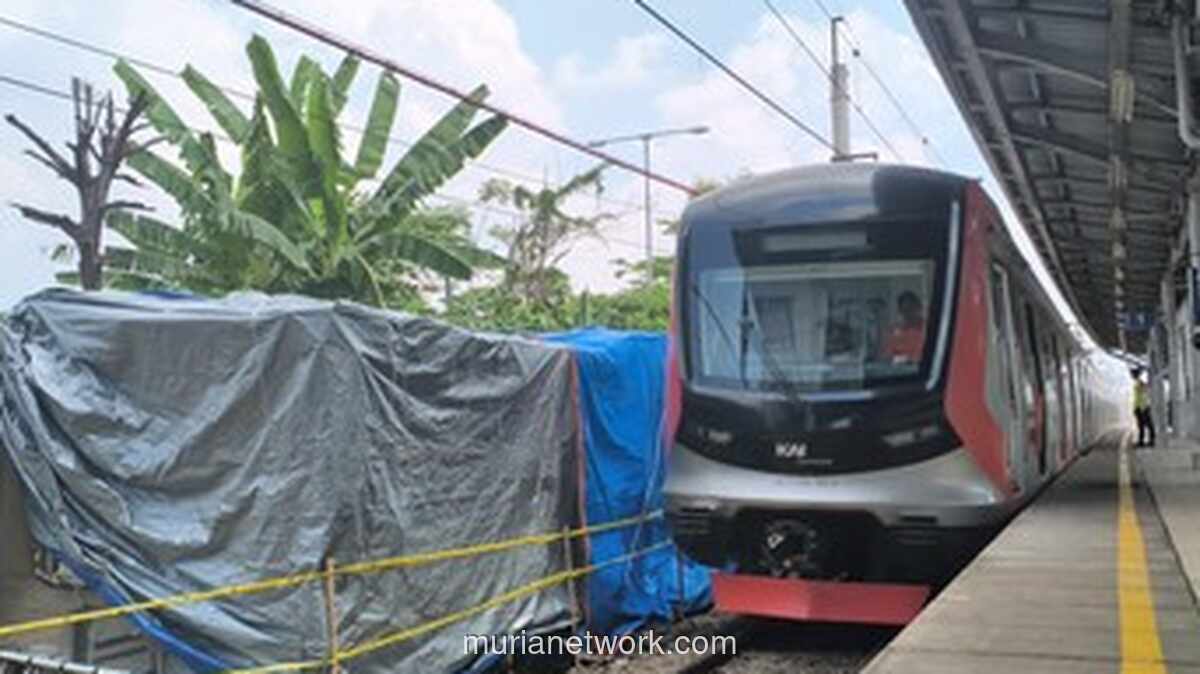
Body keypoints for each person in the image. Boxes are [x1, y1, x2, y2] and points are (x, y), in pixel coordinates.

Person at [882, 291, 926, 364]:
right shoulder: (895, 331)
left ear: (919, 307)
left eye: (911, 308)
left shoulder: (927, 328)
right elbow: (887, 357)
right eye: (905, 310)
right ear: (900, 311)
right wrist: (905, 359)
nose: (909, 313)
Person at [1132, 368, 1155, 448]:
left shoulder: (1140, 383)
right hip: (1141, 407)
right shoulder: (1139, 383)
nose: (1132, 376)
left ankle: (1150, 441)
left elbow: (1143, 396)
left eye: (1133, 374)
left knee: (1147, 425)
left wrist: (1142, 408)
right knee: (1142, 425)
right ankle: (1142, 441)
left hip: (1142, 408)